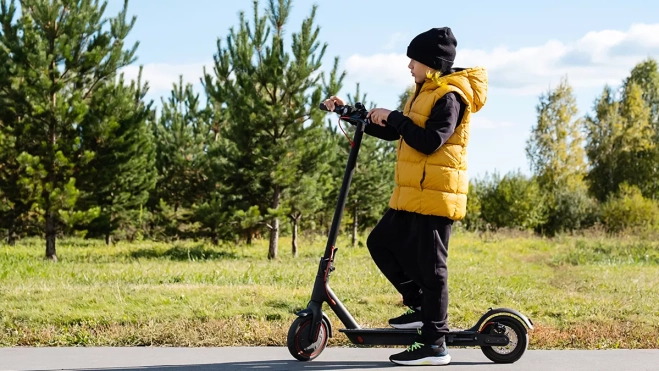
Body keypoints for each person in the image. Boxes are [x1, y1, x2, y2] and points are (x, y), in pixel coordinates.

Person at [323, 27, 487, 366]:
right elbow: (401, 132)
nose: (409, 66)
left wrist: (395, 118)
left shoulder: (451, 96)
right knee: (380, 242)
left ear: (430, 62)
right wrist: (352, 114)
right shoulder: (425, 91)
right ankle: (417, 307)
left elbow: (429, 141)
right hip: (414, 194)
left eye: (413, 59)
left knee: (433, 269)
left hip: (436, 197)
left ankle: (434, 344)